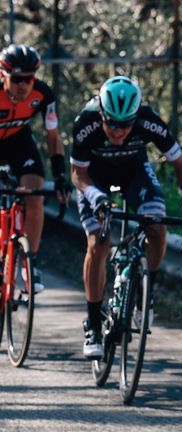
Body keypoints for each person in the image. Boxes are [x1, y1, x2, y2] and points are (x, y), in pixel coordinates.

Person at [70, 76, 182, 359]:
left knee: (157, 228)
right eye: (112, 124)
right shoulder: (85, 124)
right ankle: (92, 322)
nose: (119, 132)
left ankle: (144, 294)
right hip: (95, 180)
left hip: (134, 172)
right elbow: (78, 175)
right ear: (101, 114)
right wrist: (97, 198)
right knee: (98, 244)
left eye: (126, 125)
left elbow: (180, 164)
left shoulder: (148, 120)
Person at [0, 44, 70, 292]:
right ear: (3, 75)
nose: (23, 85)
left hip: (19, 143)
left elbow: (53, 136)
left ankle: (32, 262)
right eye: (17, 79)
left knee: (35, 196)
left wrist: (61, 175)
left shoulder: (43, 94)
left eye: (28, 79)